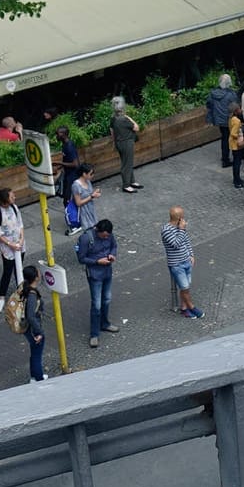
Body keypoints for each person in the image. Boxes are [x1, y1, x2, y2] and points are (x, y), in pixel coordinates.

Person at [77, 218, 119, 346]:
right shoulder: (86, 239)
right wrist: (97, 262)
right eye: (104, 236)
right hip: (95, 274)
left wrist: (112, 255)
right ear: (98, 231)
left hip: (107, 272)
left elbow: (114, 246)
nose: (106, 238)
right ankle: (94, 334)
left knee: (107, 299)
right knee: (96, 304)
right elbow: (81, 258)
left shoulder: (109, 236)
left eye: (108, 236)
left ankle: (104, 323)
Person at [0, 187, 25, 314]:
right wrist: (10, 244)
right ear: (5, 200)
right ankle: (1, 298)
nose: (14, 198)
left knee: (19, 270)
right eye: (11, 196)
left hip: (19, 245)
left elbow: (20, 224)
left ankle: (21, 293)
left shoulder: (14, 207)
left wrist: (21, 240)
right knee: (7, 271)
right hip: (8, 248)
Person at [162, 206, 201, 318]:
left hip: (186, 261)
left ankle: (184, 309)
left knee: (186, 286)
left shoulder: (180, 227)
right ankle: (191, 307)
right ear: (179, 218)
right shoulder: (166, 230)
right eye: (182, 216)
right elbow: (176, 244)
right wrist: (182, 229)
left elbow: (186, 241)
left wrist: (191, 254)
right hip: (176, 264)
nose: (184, 218)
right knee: (184, 287)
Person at [16, 265, 47, 383]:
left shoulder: (25, 288)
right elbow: (31, 316)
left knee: (34, 351)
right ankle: (39, 378)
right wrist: (39, 332)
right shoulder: (32, 295)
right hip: (33, 328)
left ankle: (34, 376)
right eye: (38, 273)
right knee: (37, 354)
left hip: (28, 328)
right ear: (36, 277)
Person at [206, 73, 239, 170]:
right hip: (228, 119)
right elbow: (235, 106)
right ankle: (230, 159)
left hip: (219, 120)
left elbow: (209, 104)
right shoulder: (231, 94)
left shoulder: (213, 93)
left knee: (224, 139)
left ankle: (225, 159)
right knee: (232, 138)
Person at [111, 97, 142, 192]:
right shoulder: (124, 119)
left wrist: (114, 142)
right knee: (127, 164)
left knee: (127, 162)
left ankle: (131, 181)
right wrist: (129, 117)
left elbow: (112, 130)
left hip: (119, 143)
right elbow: (137, 128)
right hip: (127, 143)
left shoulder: (113, 118)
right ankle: (126, 185)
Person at [68, 165, 100, 237]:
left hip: (90, 209)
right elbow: (78, 203)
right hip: (83, 212)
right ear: (84, 174)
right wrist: (92, 196)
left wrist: (95, 194)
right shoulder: (76, 186)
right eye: (91, 174)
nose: (92, 175)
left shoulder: (88, 182)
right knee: (88, 231)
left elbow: (89, 194)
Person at [225, 103, 244, 189]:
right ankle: (237, 181)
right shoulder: (237, 121)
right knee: (237, 162)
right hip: (236, 144)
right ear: (236, 111)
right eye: (239, 109)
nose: (241, 110)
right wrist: (241, 136)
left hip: (232, 143)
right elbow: (233, 133)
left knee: (236, 162)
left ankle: (237, 179)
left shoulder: (231, 119)